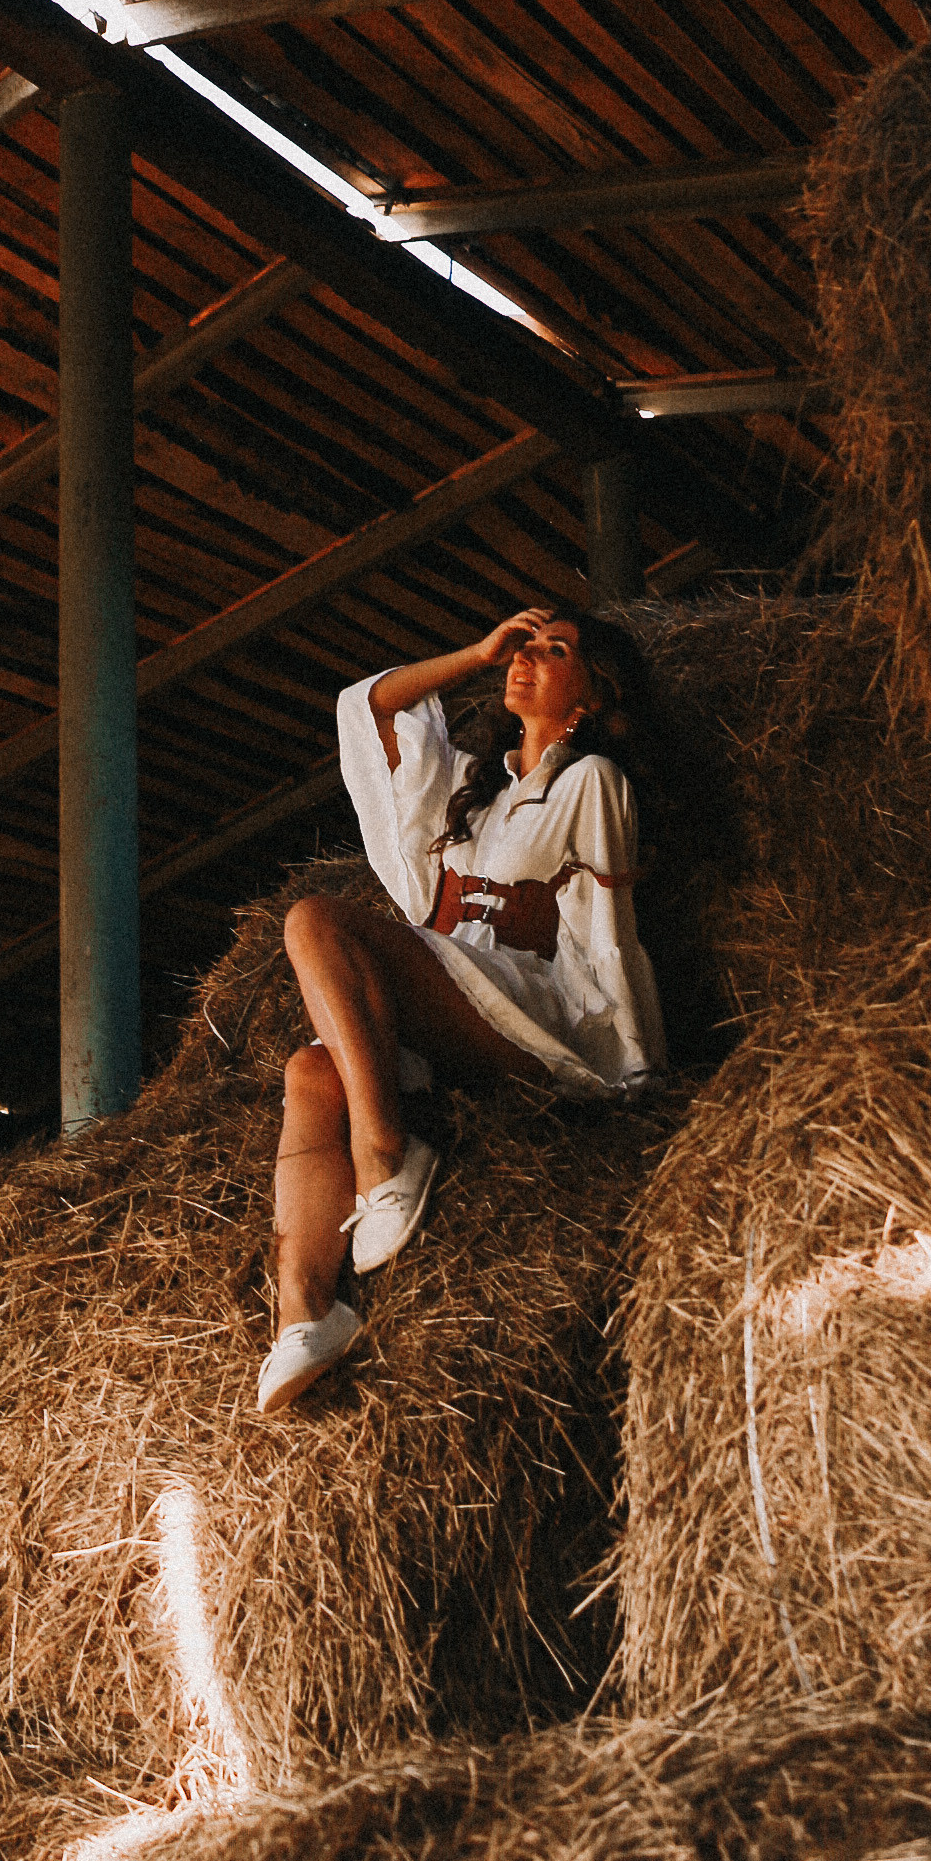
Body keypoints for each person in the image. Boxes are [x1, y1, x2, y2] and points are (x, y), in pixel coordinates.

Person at [257, 604, 668, 1416]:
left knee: (313, 920)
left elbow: (607, 932)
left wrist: (630, 1057)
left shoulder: (591, 781)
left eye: (554, 652)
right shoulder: (472, 788)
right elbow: (369, 708)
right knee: (308, 1070)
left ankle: (384, 1151)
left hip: (534, 1001)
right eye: (523, 647)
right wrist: (477, 654)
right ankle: (305, 1314)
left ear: (590, 697)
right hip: (451, 985)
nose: (526, 659)